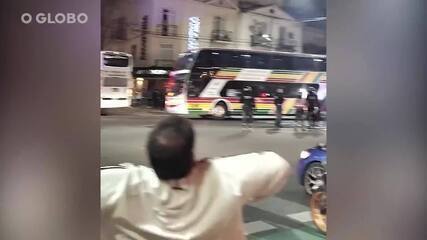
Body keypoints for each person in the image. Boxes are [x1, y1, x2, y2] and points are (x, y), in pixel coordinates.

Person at [101, 116, 291, 240]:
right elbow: (278, 165)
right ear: (191, 156)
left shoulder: (124, 184)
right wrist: (211, 166)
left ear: (149, 155)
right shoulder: (225, 177)